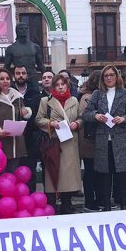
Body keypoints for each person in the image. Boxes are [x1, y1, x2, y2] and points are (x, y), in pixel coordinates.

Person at [83, 65, 126, 211]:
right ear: (102, 78)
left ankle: (123, 205)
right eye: (106, 75)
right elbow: (86, 114)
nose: (109, 78)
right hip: (103, 140)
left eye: (111, 75)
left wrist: (123, 119)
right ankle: (106, 206)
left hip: (121, 140)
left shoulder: (125, 93)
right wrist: (95, 115)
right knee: (105, 176)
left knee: (122, 175)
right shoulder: (97, 94)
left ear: (116, 76)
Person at [36, 75, 82, 213]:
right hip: (54, 143)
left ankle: (67, 205)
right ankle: (52, 206)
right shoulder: (45, 101)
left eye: (63, 84)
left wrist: (77, 123)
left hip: (70, 143)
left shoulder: (74, 100)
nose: (61, 87)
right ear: (53, 87)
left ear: (68, 86)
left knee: (68, 177)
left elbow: (81, 117)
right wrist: (51, 123)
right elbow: (38, 119)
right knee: (53, 174)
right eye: (58, 84)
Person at [0, 68, 32, 173]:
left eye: (7, 78)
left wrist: (26, 112)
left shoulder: (17, 96)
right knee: (1, 179)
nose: (5, 81)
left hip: (16, 146)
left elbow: (21, 115)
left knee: (13, 178)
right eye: (2, 79)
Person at [14, 65, 44, 192]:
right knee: (14, 171)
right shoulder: (9, 92)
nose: (20, 75)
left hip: (30, 139)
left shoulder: (35, 93)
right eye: (18, 73)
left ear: (27, 75)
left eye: (23, 73)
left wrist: (29, 116)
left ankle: (31, 198)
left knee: (30, 171)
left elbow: (39, 115)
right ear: (14, 76)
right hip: (13, 139)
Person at [78, 70, 101, 211]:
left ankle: (98, 199)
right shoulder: (87, 96)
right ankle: (90, 201)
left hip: (95, 138)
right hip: (88, 138)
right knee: (91, 171)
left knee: (96, 171)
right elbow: (85, 116)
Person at [4, 22, 45, 90]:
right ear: (17, 31)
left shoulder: (35, 47)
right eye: (21, 29)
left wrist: (49, 76)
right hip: (19, 79)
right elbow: (6, 67)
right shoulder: (11, 48)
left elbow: (40, 65)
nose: (23, 30)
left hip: (32, 77)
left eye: (25, 28)